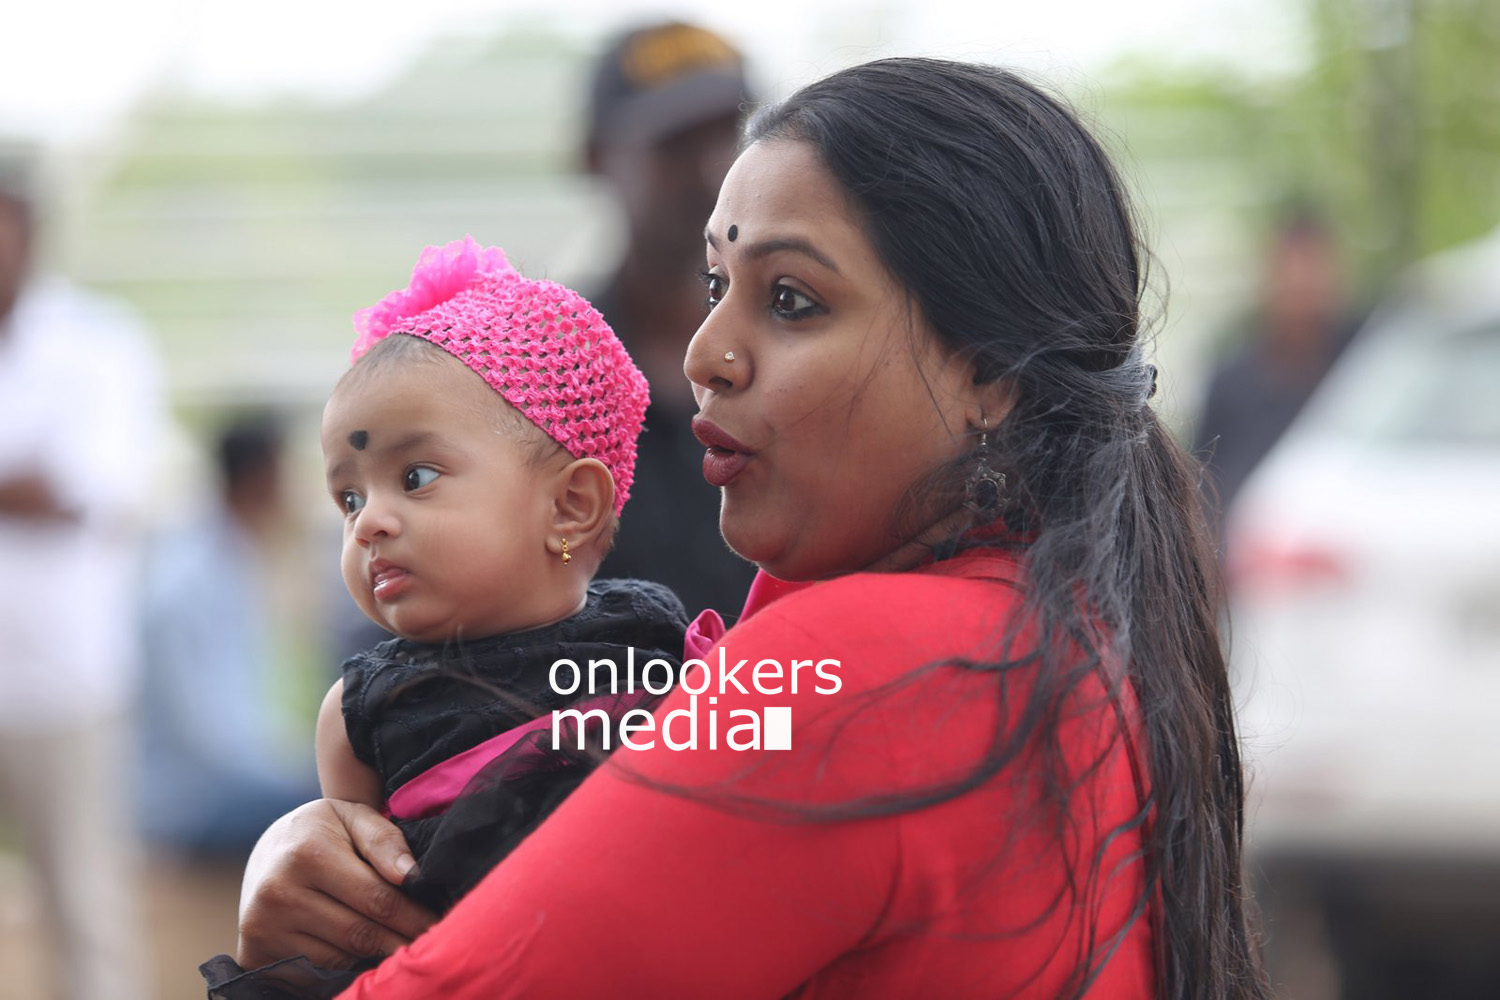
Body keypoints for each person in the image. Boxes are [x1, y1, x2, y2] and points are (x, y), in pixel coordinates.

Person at [228, 60, 1269, 998]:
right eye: (717, 285)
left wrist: (287, 947)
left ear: (987, 370)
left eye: (792, 299)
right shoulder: (1062, 630)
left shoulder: (856, 670)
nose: (706, 352)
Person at [204, 238, 688, 996]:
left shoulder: (657, 647)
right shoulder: (362, 714)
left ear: (570, 505)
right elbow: (345, 917)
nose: (368, 524)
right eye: (350, 498)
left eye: (416, 477)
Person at [0, 152, 161, 1000]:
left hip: (65, 678)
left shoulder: (98, 343)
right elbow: (40, 489)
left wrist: (41, 491)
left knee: (85, 909)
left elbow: (95, 495)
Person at [583, 20, 758, 618]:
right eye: (677, 143)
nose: (714, 171)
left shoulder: (811, 354)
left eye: (729, 136)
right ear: (595, 157)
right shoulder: (537, 373)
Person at [138, 415, 321, 859]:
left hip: (218, 783)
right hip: (187, 803)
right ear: (263, 475)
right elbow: (212, 736)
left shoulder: (226, 556)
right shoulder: (189, 579)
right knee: (344, 804)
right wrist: (302, 774)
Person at [1193, 208, 1358, 528]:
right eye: (1291, 271)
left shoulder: (1365, 367)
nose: (1302, 286)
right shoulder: (1232, 383)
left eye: (1314, 269)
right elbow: (1203, 485)